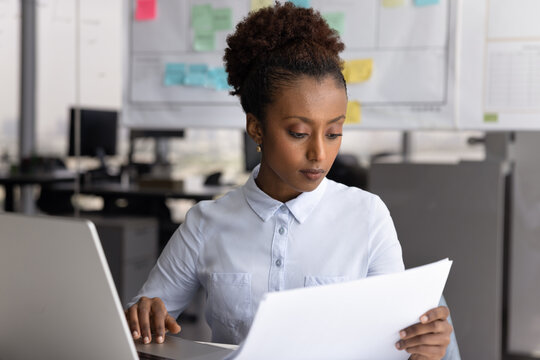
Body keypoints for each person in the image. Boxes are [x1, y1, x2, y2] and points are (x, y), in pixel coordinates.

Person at [126, 3, 458, 359]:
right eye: (299, 133)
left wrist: (425, 349)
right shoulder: (207, 223)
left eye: (333, 133)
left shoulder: (366, 216)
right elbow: (142, 318)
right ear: (256, 128)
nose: (319, 153)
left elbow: (394, 342)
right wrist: (144, 314)